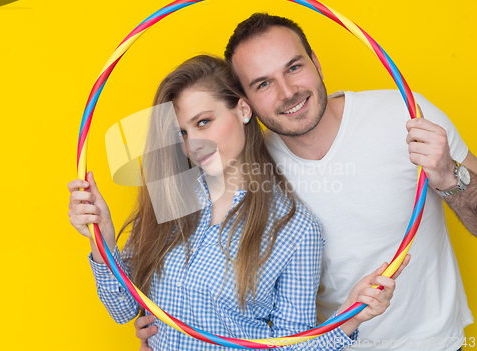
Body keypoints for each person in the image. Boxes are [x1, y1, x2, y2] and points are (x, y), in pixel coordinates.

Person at [68, 55, 408, 351]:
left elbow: (290, 346)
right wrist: (104, 240)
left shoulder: (295, 230)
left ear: (243, 110)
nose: (194, 144)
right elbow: (122, 310)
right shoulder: (173, 196)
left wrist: (349, 317)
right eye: (182, 134)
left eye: (204, 122)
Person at [220, 14, 475, 351]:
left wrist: (448, 177)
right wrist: (164, 322)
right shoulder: (250, 167)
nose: (288, 92)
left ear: (316, 64)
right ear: (245, 104)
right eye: (263, 84)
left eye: (294, 67)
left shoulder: (407, 113)